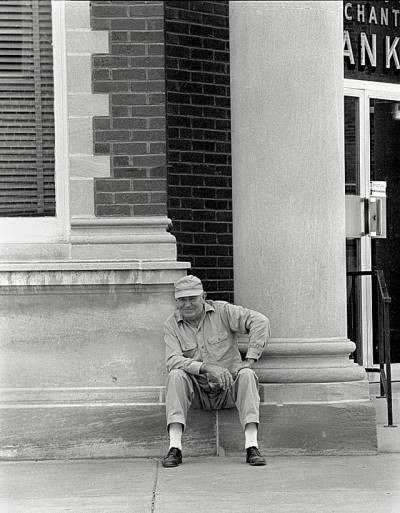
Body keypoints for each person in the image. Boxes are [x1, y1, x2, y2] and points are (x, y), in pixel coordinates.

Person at [161, 275, 271, 468]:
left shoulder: (223, 311)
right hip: (197, 392)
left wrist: (250, 360)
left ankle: (252, 446)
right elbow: (172, 360)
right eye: (182, 300)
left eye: (192, 298)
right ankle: (175, 448)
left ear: (203, 296)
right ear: (176, 301)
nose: (187, 304)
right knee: (175, 375)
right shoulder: (171, 325)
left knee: (247, 375)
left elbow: (260, 321)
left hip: (228, 388)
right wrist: (205, 367)